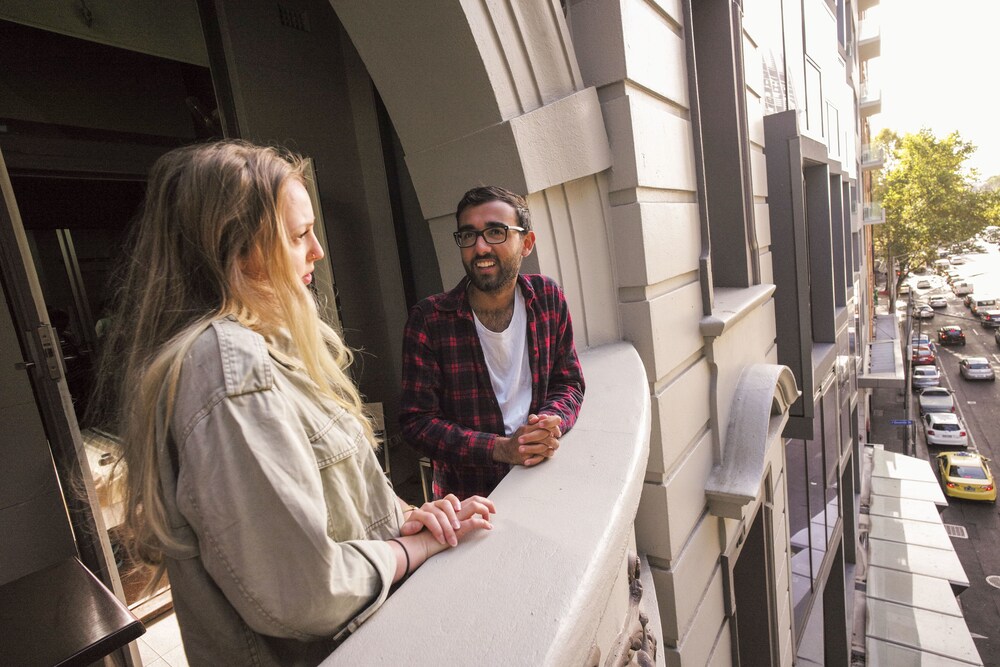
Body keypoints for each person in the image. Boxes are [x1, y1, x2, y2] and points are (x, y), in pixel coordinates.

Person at [92, 141, 494, 666]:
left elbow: (339, 501)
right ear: (237, 248)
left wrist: (414, 518)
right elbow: (306, 591)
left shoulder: (264, 345)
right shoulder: (225, 364)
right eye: (300, 234)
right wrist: (411, 549)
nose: (318, 251)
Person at [399, 185, 585, 499]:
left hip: (544, 476)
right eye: (469, 235)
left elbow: (568, 382)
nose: (481, 247)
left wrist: (551, 421)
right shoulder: (430, 320)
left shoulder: (548, 299)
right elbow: (417, 422)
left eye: (496, 232)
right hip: (471, 498)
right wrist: (500, 449)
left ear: (526, 243)